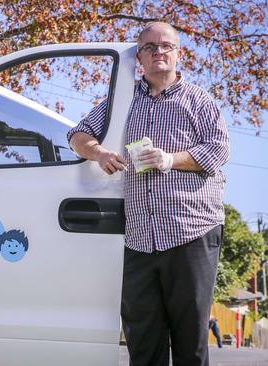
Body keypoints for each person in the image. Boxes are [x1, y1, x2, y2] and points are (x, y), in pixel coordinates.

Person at [68, 22, 229, 366]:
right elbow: (78, 134)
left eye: (166, 46)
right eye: (150, 47)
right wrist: (99, 153)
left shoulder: (200, 101)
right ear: (139, 56)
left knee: (190, 340)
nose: (159, 52)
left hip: (191, 231)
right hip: (138, 237)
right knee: (143, 340)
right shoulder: (122, 100)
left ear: (178, 53)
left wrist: (170, 159)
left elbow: (217, 151)